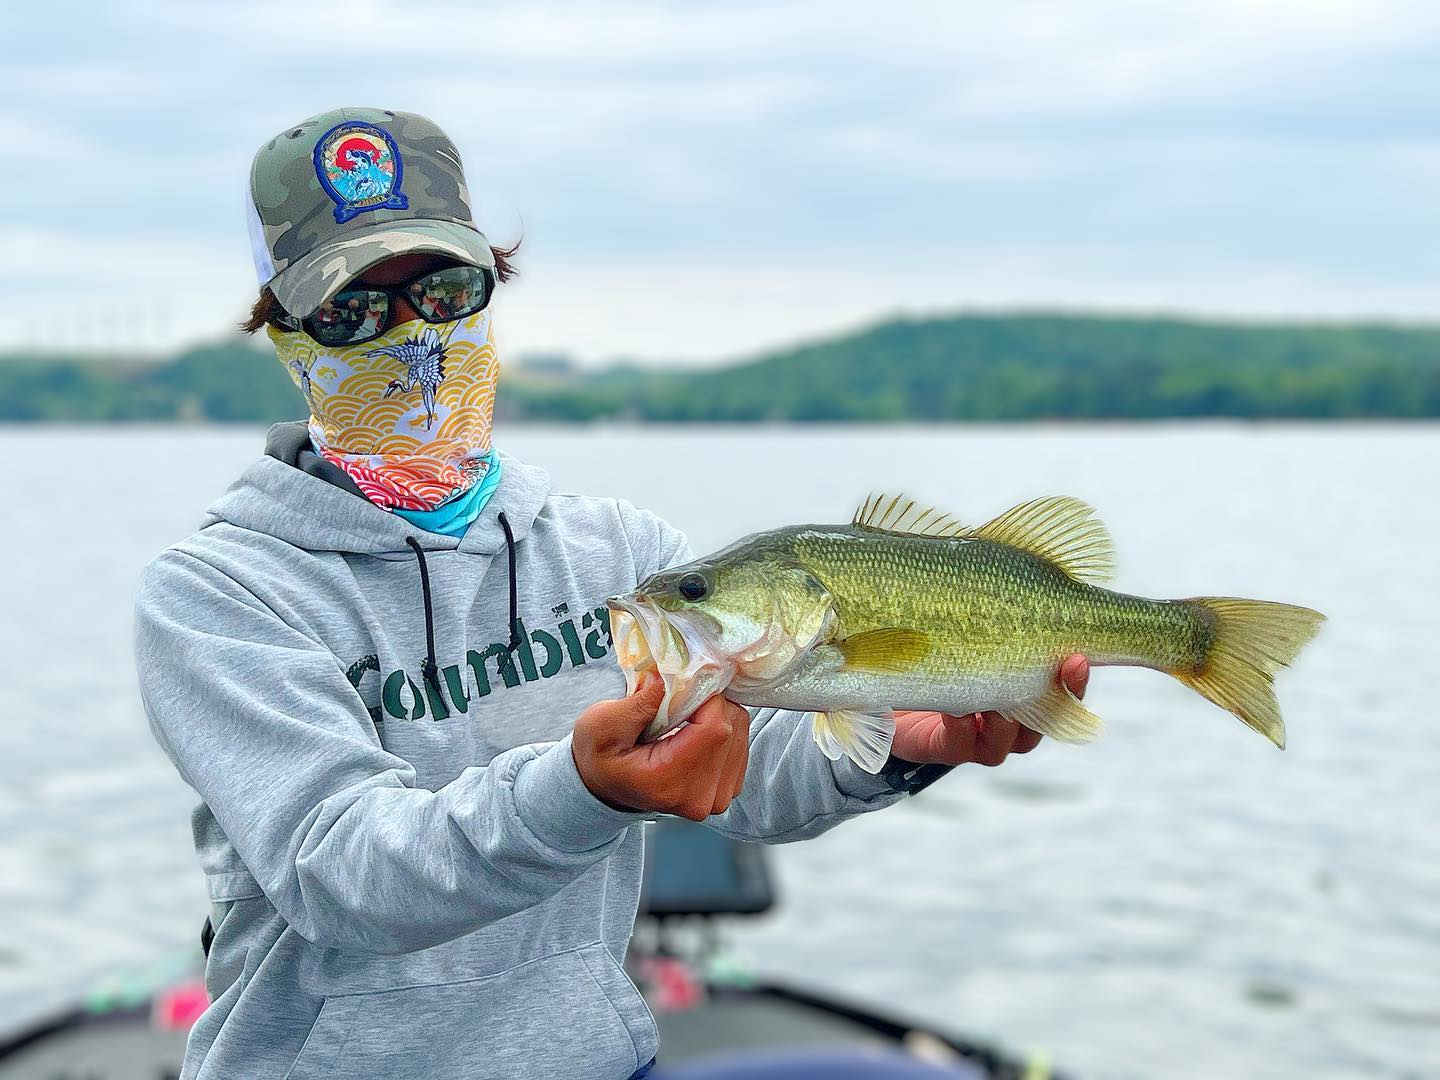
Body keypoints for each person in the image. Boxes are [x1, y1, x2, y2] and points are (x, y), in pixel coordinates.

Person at [133, 107, 1089, 1080]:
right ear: (286, 338)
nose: (410, 335)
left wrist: (894, 748)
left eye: (444, 290)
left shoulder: (621, 554)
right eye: (352, 311)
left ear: (489, 294)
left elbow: (745, 783)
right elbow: (344, 874)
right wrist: (581, 790)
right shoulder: (216, 597)